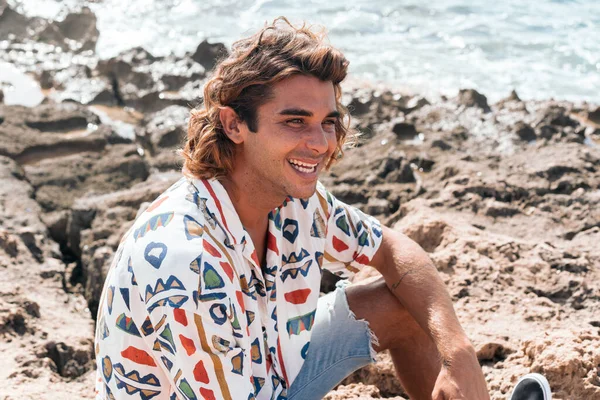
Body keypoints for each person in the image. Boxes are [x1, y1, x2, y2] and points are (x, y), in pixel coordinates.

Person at [94, 17, 551, 400]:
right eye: (295, 121)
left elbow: (394, 249)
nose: (319, 143)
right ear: (235, 124)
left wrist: (459, 356)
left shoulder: (294, 200)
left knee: (407, 305)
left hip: (272, 366)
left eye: (328, 123)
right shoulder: (187, 260)